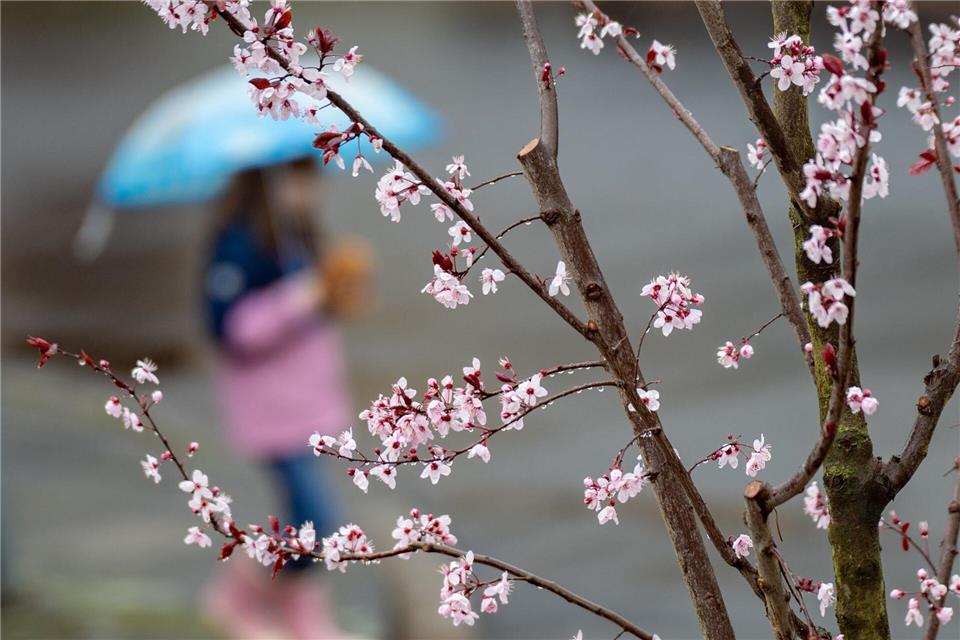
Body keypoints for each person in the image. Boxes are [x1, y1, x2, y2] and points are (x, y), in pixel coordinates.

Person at [200, 157, 372, 639]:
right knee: (318, 519)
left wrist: (336, 293)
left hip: (308, 404)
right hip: (271, 411)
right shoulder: (238, 244)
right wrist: (302, 298)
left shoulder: (297, 234)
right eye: (297, 176)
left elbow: (311, 315)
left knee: (304, 518)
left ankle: (296, 612)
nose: (309, 189)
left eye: (311, 176)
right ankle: (240, 595)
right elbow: (231, 329)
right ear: (265, 178)